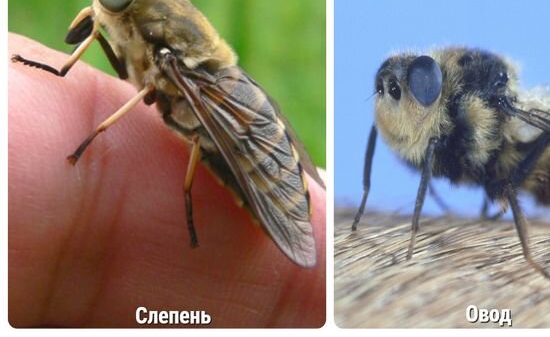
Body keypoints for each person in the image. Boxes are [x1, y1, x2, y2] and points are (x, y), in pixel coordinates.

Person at [8, 33, 326, 327]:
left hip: (225, 116)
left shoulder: (166, 59)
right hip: (227, 94)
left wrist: (94, 135)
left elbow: (156, 98)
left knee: (202, 133)